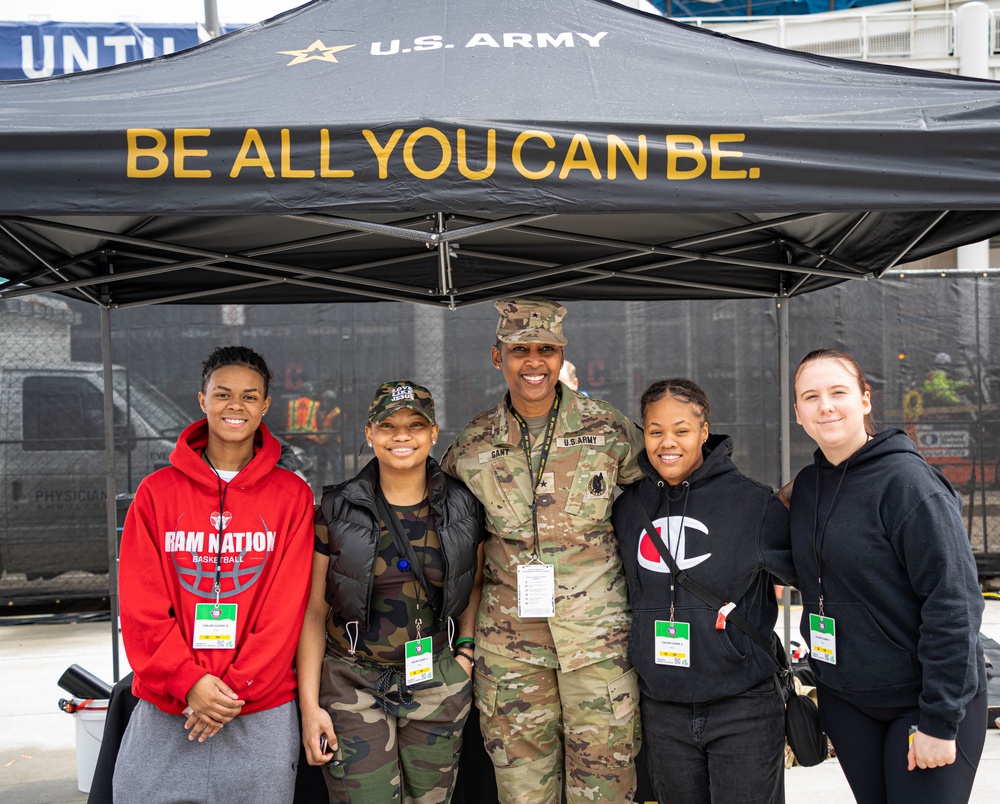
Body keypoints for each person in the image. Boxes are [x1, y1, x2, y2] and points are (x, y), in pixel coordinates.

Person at [441, 298, 645, 804]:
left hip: (595, 644)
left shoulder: (607, 430)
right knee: (522, 791)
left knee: (605, 789)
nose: (534, 362)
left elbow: (670, 490)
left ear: (561, 355)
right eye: (520, 350)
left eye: (546, 350)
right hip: (510, 652)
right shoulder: (472, 444)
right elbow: (444, 530)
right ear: (498, 357)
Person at [115, 346, 315, 804]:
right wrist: (189, 683)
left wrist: (231, 691)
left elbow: (285, 609)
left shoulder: (291, 496)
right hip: (170, 706)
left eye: (249, 396)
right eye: (222, 394)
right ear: (202, 400)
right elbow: (141, 605)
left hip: (257, 706)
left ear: (265, 406)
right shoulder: (156, 493)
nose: (235, 406)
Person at [788, 348, 987, 804]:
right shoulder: (806, 488)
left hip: (921, 701)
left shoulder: (909, 484)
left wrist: (940, 719)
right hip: (849, 701)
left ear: (864, 400)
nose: (826, 406)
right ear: (798, 413)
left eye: (838, 392)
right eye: (811, 396)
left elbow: (954, 602)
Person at [297, 380, 486, 804]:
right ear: (369, 433)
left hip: (436, 681)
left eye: (415, 425)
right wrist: (311, 709)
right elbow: (313, 610)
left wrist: (466, 654)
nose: (402, 435)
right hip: (353, 682)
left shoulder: (464, 505)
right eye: (388, 425)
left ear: (434, 433)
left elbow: (475, 583)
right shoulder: (337, 507)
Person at [611, 378, 795, 804]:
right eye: (655, 431)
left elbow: (820, 573)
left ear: (704, 431)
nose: (667, 443)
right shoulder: (626, 509)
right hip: (663, 710)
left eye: (681, 430)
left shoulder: (753, 505)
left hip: (743, 708)